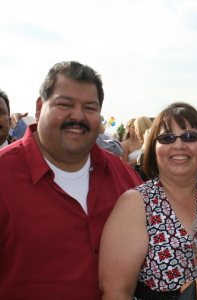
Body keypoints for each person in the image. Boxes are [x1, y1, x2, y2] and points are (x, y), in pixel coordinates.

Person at [0, 61, 143, 299]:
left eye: (89, 108)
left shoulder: (124, 176)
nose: (77, 116)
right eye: (65, 104)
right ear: (39, 107)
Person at [99, 102, 197, 300]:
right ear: (153, 148)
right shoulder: (136, 203)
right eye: (167, 138)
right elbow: (117, 292)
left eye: (190, 136)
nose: (178, 145)